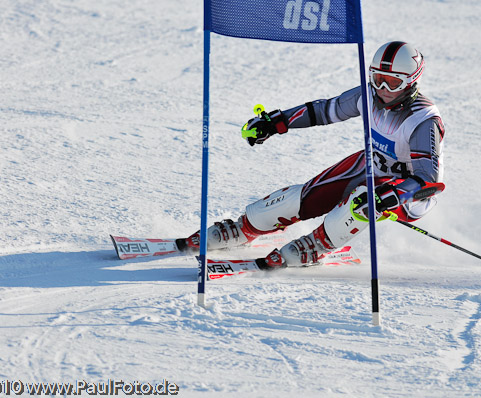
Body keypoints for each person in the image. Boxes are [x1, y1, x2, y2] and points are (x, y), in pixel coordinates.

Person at [177, 41, 445, 269]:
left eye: (393, 82)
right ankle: (244, 228)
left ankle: (317, 244)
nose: (383, 89)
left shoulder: (422, 119)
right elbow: (324, 111)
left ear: (411, 81)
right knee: (302, 196)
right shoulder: (367, 95)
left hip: (407, 193)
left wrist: (394, 195)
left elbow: (429, 181)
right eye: (378, 79)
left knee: (361, 202)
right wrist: (277, 122)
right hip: (371, 165)